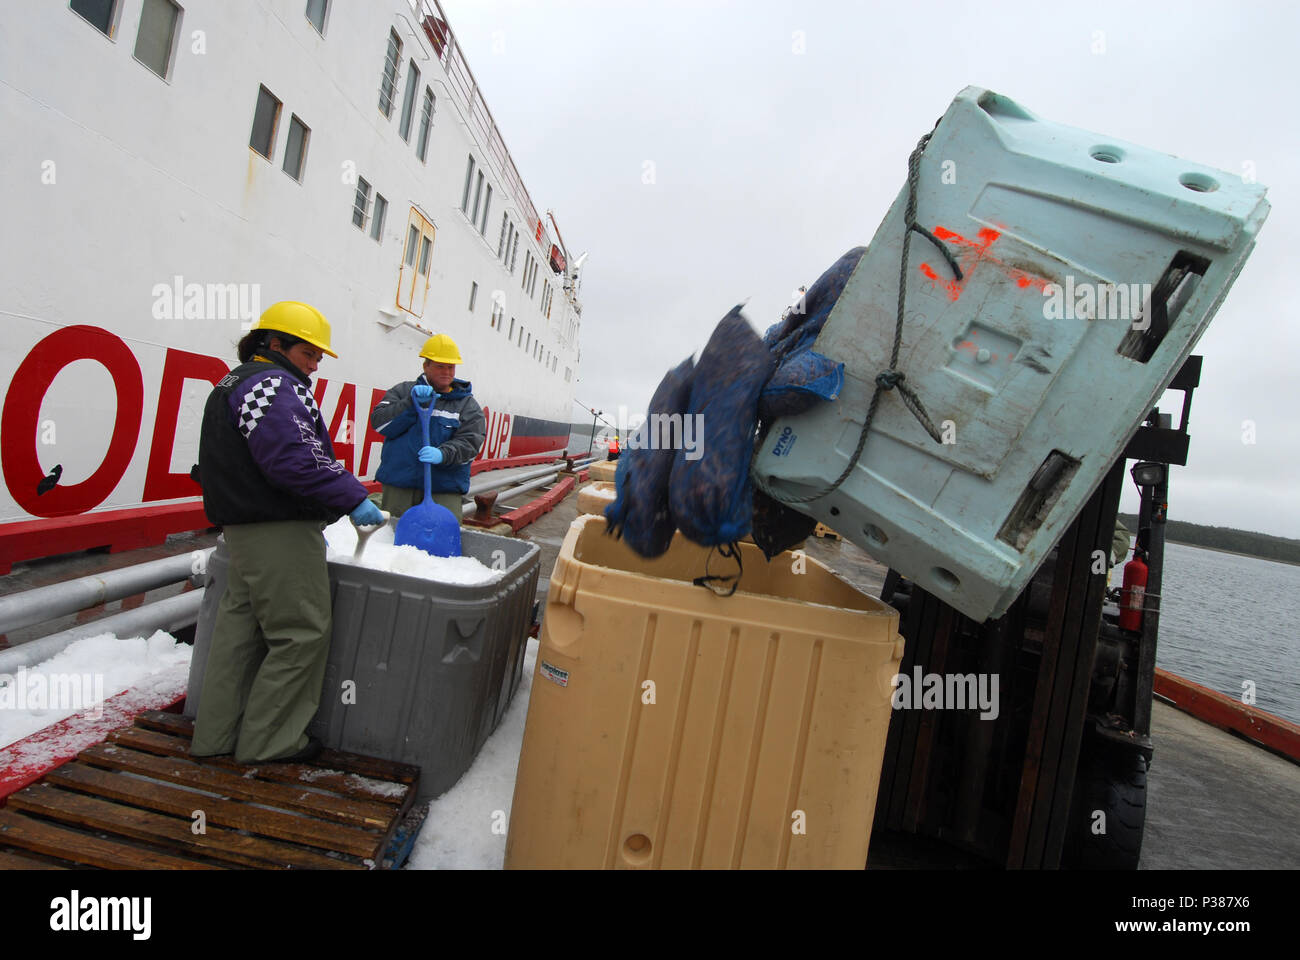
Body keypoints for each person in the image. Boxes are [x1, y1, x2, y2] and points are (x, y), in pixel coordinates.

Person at [191, 301, 384, 765]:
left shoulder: (232, 381)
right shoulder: (274, 384)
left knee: (238, 632)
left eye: (319, 357)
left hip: (241, 531)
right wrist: (350, 495)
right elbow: (293, 457)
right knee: (300, 634)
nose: (315, 365)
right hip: (277, 529)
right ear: (274, 343)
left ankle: (215, 737)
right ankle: (271, 744)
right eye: (309, 353)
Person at [370, 333, 485, 517]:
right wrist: (411, 403)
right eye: (440, 366)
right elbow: (380, 425)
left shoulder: (467, 405)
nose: (446, 372)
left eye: (450, 367)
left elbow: (471, 443)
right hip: (400, 487)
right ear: (426, 366)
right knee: (390, 539)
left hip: (444, 489)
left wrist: (443, 454)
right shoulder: (403, 391)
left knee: (441, 541)